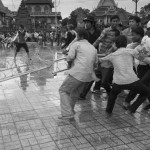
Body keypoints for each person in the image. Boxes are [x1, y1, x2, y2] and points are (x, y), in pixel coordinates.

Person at [99, 35, 150, 114]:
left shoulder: (112, 55)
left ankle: (108, 112)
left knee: (112, 95)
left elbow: (99, 60)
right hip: (132, 81)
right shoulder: (131, 51)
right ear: (126, 44)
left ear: (115, 44)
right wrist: (144, 49)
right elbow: (146, 59)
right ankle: (131, 109)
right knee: (146, 92)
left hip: (118, 82)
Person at [59, 28, 98, 120]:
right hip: (88, 76)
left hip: (77, 73)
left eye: (77, 36)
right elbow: (96, 63)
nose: (76, 37)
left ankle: (67, 113)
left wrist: (67, 57)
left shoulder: (76, 44)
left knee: (63, 91)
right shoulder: (93, 47)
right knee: (74, 92)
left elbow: (70, 57)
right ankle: (71, 111)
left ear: (81, 36)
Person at [123, 22, 150, 110]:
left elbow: (143, 56)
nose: (131, 37)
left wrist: (136, 54)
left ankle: (128, 102)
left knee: (140, 85)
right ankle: (128, 102)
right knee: (141, 85)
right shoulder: (141, 43)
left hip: (145, 67)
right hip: (143, 67)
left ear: (139, 35)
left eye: (133, 35)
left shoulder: (146, 42)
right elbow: (142, 56)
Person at [93, 15, 121, 95]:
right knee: (99, 72)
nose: (115, 23)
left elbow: (119, 44)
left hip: (112, 56)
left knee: (105, 73)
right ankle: (99, 88)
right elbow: (98, 40)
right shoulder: (106, 30)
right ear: (110, 22)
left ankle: (107, 88)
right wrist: (91, 48)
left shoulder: (119, 32)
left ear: (119, 22)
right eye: (113, 21)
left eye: (116, 21)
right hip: (103, 54)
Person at [79, 15, 101, 100]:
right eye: (85, 22)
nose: (86, 24)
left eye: (88, 22)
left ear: (92, 23)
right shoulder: (84, 32)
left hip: (97, 54)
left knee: (96, 72)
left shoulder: (98, 32)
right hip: (86, 54)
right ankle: (83, 91)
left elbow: (100, 41)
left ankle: (96, 87)